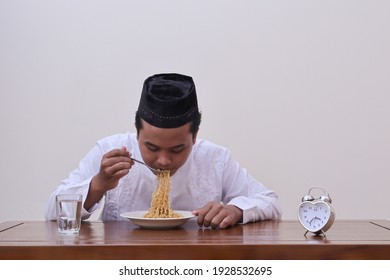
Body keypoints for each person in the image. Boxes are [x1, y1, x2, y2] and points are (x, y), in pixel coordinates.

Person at [45, 73, 282, 229]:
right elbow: (52, 212)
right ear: (137, 132)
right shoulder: (110, 150)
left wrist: (235, 209)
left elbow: (270, 202)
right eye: (151, 147)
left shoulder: (215, 158)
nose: (164, 160)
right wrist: (98, 185)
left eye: (178, 148)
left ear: (195, 137)